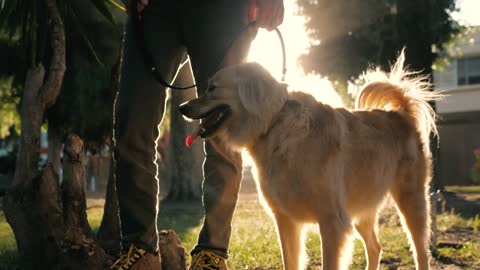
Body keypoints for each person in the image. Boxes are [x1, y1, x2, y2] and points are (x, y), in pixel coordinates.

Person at [111, 0, 284, 269]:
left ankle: (212, 253)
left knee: (225, 125)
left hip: (224, 8)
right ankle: (140, 250)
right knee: (132, 120)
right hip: (155, 8)